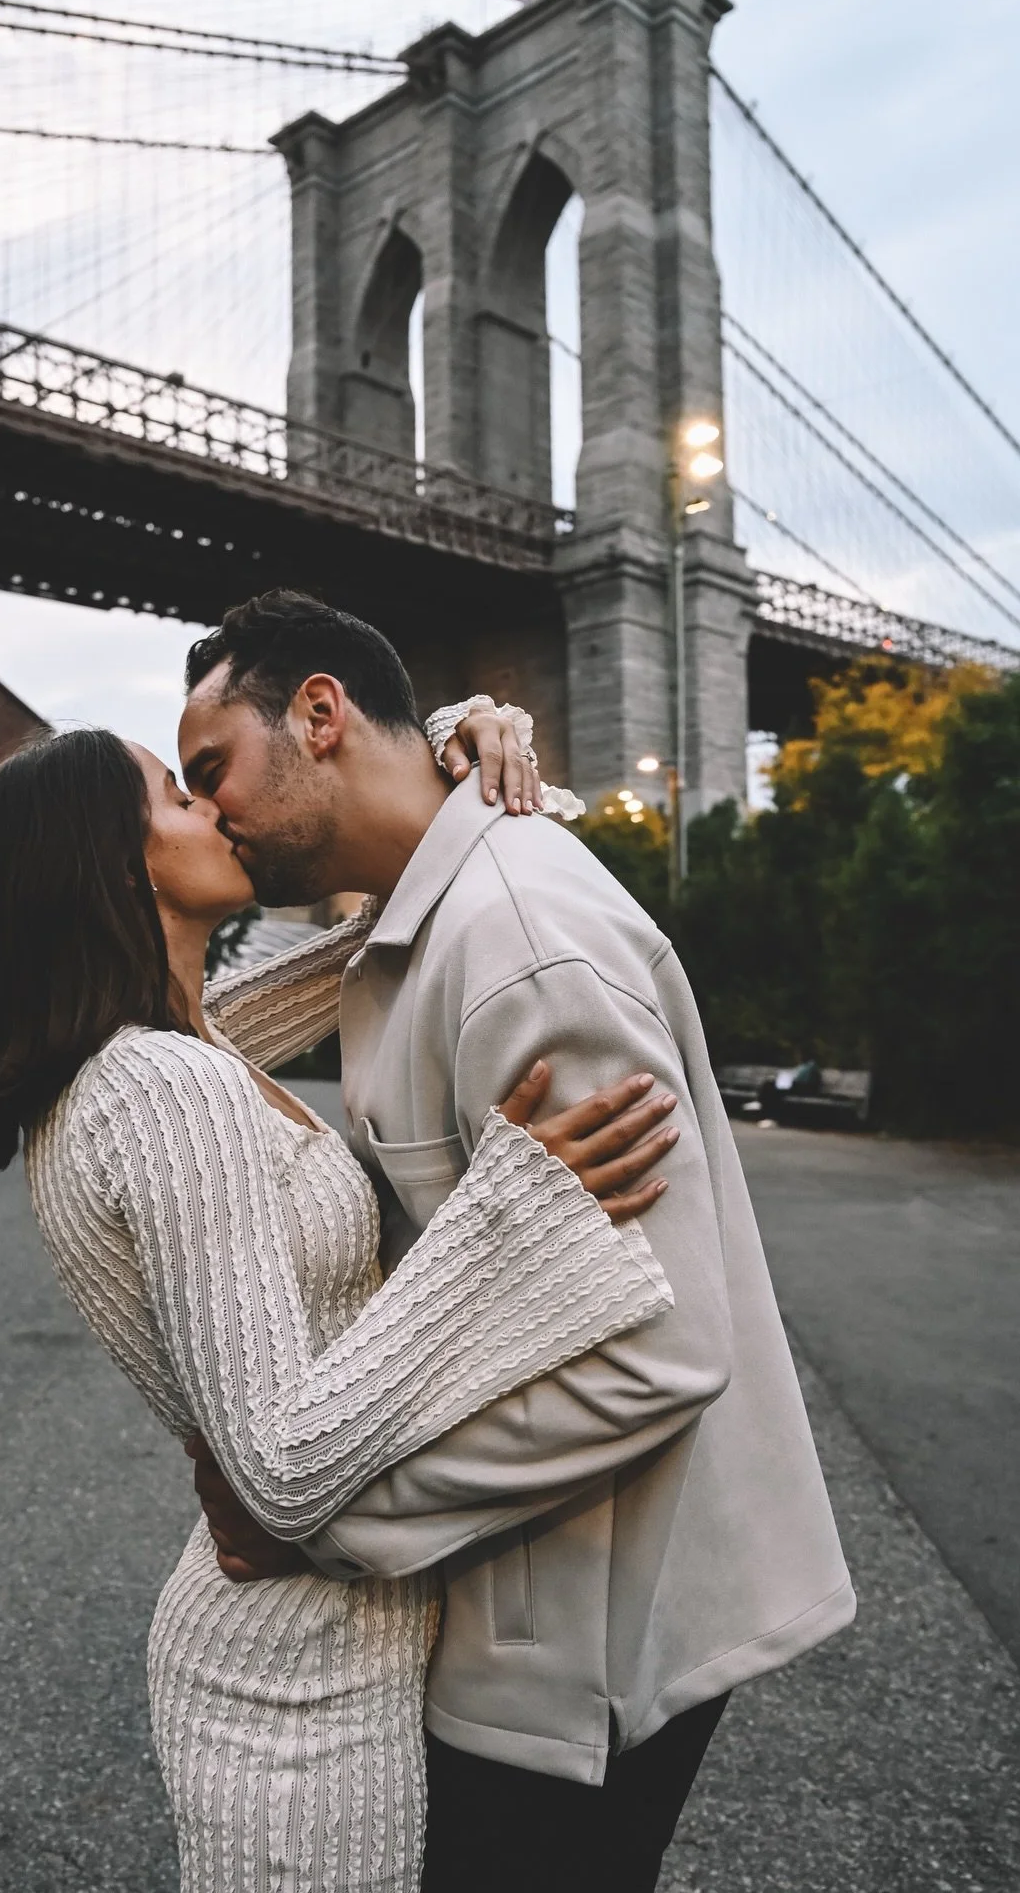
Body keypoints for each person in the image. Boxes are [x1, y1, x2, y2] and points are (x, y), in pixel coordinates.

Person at [0, 698, 683, 1893]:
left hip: (330, 1639)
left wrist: (459, 752)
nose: (214, 806)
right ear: (120, 865)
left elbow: (395, 924)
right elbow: (279, 1470)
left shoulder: (181, 1041)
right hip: (288, 1683)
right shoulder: (161, 1087)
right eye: (176, 794)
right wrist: (514, 1217)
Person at [177, 591, 855, 1893]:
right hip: (531, 1597)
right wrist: (449, 745)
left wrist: (322, 1518)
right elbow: (194, 1049)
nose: (214, 817)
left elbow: (650, 1352)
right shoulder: (427, 912)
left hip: (589, 1630)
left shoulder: (521, 947)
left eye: (212, 774)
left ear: (319, 714)